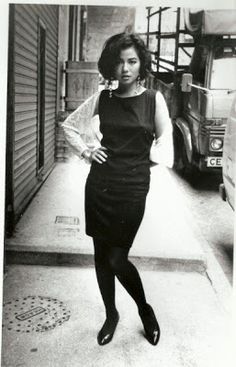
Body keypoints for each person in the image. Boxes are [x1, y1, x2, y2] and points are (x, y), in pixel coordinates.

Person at [62, 32, 173, 346]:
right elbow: (69, 126)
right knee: (101, 256)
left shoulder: (154, 99)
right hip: (99, 186)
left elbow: (166, 148)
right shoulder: (101, 98)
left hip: (133, 189)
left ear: (141, 64)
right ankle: (111, 314)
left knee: (116, 258)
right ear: (111, 65)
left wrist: (140, 164)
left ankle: (144, 309)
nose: (125, 68)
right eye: (119, 61)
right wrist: (86, 152)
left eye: (132, 61)